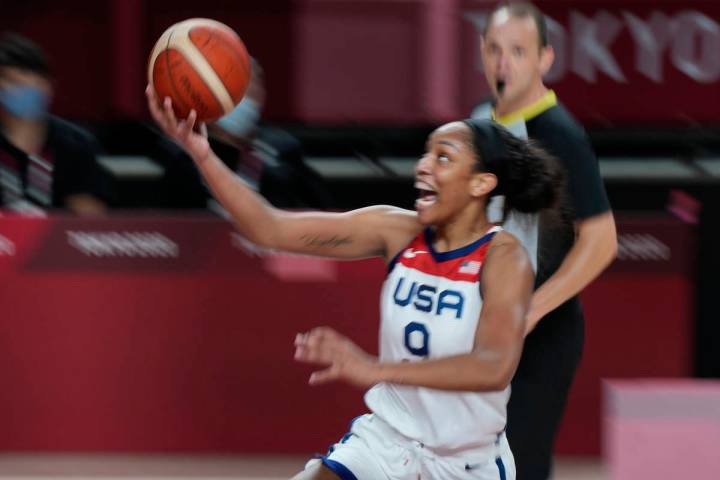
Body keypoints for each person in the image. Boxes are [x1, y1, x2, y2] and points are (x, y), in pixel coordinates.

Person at [147, 84, 563, 479]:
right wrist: (201, 154)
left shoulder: (504, 257)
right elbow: (268, 228)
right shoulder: (396, 230)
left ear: (481, 183)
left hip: (466, 463)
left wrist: (372, 368)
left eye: (443, 157)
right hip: (388, 441)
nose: (422, 165)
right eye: (425, 153)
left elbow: (493, 366)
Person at [472, 3, 618, 478]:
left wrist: (532, 310)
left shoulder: (561, 136)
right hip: (477, 327)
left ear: (545, 58)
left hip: (541, 339)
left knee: (518, 466)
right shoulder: (476, 126)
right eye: (494, 49)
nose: (503, 63)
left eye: (518, 51)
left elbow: (601, 241)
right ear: (481, 53)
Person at [0, 32, 109, 214]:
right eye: (11, 81)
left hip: (55, 240)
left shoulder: (75, 145)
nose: (21, 90)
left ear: (48, 87)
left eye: (29, 81)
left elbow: (92, 219)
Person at [207, 59, 332, 211]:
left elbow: (325, 210)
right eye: (237, 86)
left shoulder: (283, 152)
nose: (248, 94)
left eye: (254, 85)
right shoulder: (187, 156)